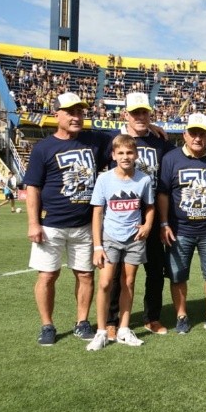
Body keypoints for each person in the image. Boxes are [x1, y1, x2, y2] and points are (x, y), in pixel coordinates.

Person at [25, 92, 112, 346]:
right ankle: (47, 325)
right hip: (51, 224)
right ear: (57, 115)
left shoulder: (94, 140)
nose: (77, 117)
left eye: (80, 112)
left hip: (85, 225)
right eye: (71, 112)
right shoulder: (43, 148)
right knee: (47, 276)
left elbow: (124, 139)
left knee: (85, 275)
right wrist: (33, 223)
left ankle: (82, 321)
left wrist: (151, 126)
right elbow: (33, 187)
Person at [105, 92, 175, 339]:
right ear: (126, 115)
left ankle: (152, 318)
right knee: (116, 274)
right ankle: (112, 320)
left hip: (154, 216)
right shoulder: (113, 142)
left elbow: (183, 154)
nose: (140, 117)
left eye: (144, 112)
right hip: (121, 217)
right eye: (135, 113)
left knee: (155, 271)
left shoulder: (161, 142)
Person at [158, 112, 206, 335]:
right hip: (180, 230)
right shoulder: (171, 158)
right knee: (178, 275)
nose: (197, 138)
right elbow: (164, 193)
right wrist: (164, 223)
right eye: (193, 133)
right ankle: (181, 315)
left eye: (202, 134)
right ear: (185, 134)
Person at [87, 135, 155, 351]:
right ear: (113, 155)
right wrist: (97, 246)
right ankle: (101, 331)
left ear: (136, 155)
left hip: (134, 238)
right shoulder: (104, 179)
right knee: (106, 282)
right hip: (110, 238)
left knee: (129, 282)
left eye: (129, 153)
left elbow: (150, 206)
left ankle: (124, 329)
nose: (126, 157)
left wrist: (147, 225)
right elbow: (97, 212)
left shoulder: (144, 179)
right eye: (121, 153)